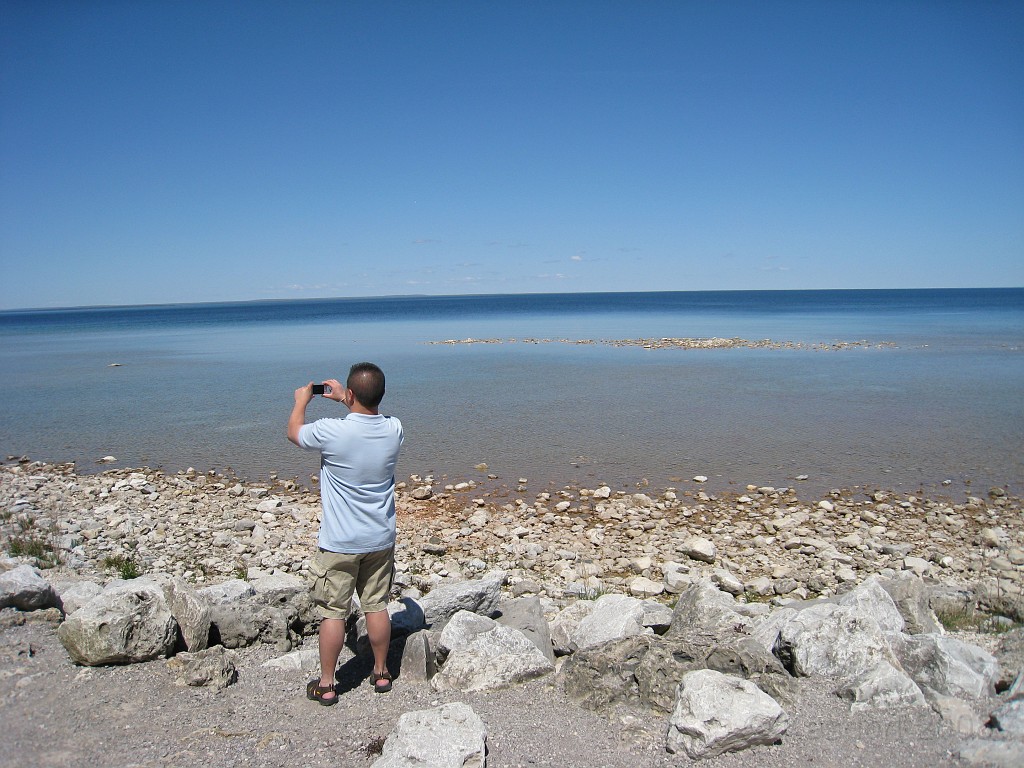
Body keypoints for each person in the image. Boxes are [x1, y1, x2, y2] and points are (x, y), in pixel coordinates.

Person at [287, 362, 404, 704]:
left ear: (350, 393)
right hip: (380, 537)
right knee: (377, 605)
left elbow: (294, 433)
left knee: (334, 612)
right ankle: (381, 673)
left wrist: (301, 401)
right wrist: (346, 399)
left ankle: (327, 684)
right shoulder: (395, 429)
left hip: (340, 542)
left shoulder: (330, 432)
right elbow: (371, 414)